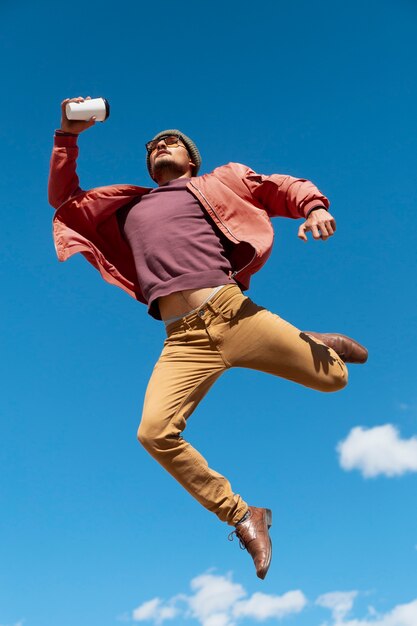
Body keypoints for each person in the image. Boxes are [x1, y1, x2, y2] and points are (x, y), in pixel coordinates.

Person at [48, 96, 367, 580]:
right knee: (153, 433)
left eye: (171, 141)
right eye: (153, 145)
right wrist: (66, 136)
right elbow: (66, 198)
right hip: (182, 341)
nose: (160, 145)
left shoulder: (218, 182)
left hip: (233, 312)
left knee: (336, 379)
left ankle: (305, 338)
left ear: (191, 159)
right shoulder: (126, 208)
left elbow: (280, 187)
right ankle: (243, 515)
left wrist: (315, 207)